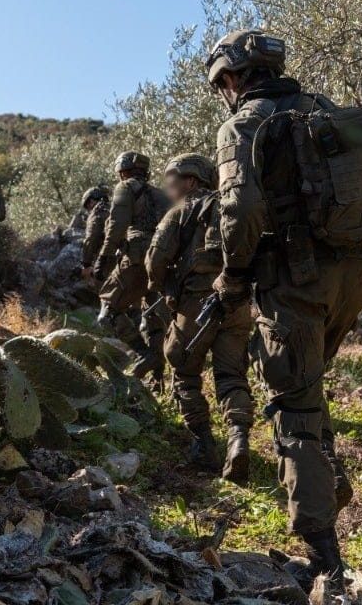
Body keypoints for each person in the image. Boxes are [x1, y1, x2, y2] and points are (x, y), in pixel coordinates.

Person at [209, 28, 362, 597]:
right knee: (307, 386)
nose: (224, 91)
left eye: (223, 81)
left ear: (234, 76)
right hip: (352, 277)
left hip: (295, 281)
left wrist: (234, 279)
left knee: (292, 410)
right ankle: (329, 482)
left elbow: (240, 212)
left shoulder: (243, 124)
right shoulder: (324, 112)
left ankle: (325, 561)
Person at [145, 154, 254, 481]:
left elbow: (154, 260)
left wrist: (162, 287)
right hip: (236, 305)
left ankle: (203, 445)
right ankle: (238, 440)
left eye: (172, 179)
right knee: (232, 375)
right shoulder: (235, 211)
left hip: (196, 305)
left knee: (183, 370)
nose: (168, 186)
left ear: (191, 181)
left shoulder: (180, 213)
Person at [90, 151, 170, 384]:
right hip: (163, 260)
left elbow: (116, 225)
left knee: (108, 310)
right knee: (153, 316)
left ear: (122, 170)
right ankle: (157, 380)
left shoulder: (126, 188)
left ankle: (145, 355)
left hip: (136, 258)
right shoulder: (161, 194)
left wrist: (103, 257)